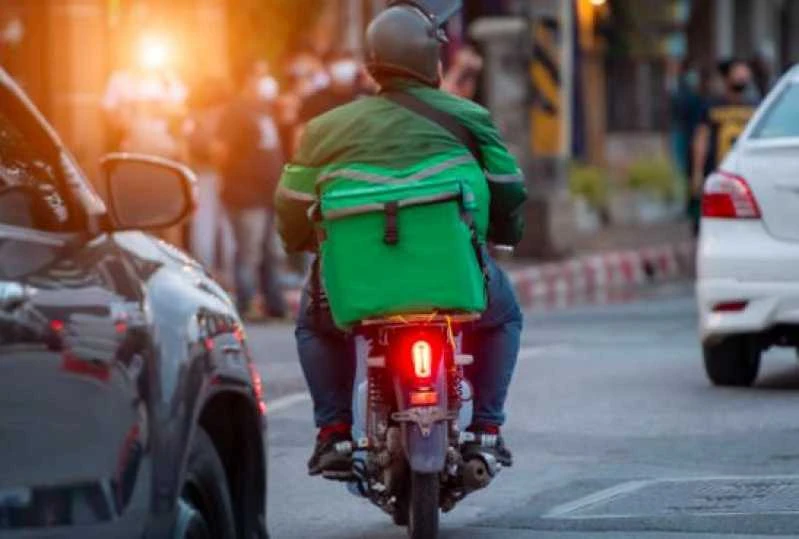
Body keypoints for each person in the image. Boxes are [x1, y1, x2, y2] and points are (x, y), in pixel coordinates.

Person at [275, 3, 527, 477]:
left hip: (356, 282)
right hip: (452, 275)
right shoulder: (469, 116)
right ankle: (486, 430)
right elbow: (509, 187)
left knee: (314, 321)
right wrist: (503, 233)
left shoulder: (326, 128)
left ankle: (334, 435)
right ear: (433, 61)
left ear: (372, 63)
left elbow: (290, 203)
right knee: (505, 315)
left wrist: (305, 242)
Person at [214, 63, 287, 320]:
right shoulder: (236, 111)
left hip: (269, 194)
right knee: (249, 252)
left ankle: (275, 304)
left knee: (272, 252)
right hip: (246, 195)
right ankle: (246, 304)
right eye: (260, 75)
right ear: (247, 79)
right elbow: (220, 151)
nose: (265, 80)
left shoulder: (265, 109)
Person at [691, 58, 759, 235]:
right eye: (738, 72)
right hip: (717, 171)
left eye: (745, 72)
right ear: (727, 77)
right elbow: (701, 138)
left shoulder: (756, 107)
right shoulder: (711, 106)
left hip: (747, 175)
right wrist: (697, 172)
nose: (743, 77)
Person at [183, 77, 235, 285]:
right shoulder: (227, 115)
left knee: (203, 225)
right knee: (227, 227)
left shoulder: (193, 117)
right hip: (225, 174)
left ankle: (204, 274)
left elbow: (188, 146)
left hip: (202, 173)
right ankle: (230, 275)